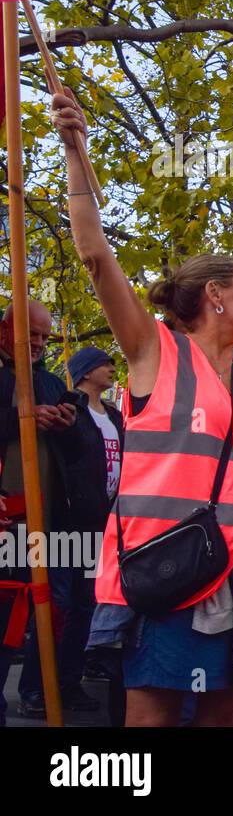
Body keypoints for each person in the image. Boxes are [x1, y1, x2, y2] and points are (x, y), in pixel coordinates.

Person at [57, 88, 233, 727]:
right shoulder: (154, 352)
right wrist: (76, 153)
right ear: (217, 296)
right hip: (167, 571)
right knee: (150, 724)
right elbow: (95, 255)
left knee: (229, 722)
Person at [0, 300, 87, 721]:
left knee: (55, 609)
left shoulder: (51, 383)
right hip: (8, 523)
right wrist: (21, 417)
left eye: (43, 336)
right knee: (6, 617)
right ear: (5, 331)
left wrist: (68, 427)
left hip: (52, 525)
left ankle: (38, 689)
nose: (37, 342)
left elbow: (78, 454)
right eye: (30, 333)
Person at [64, 347, 127, 722]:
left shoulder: (115, 416)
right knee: (79, 600)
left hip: (110, 520)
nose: (112, 367)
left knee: (98, 595)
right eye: (105, 362)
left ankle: (88, 661)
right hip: (80, 520)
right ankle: (63, 680)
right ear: (86, 372)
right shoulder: (72, 412)